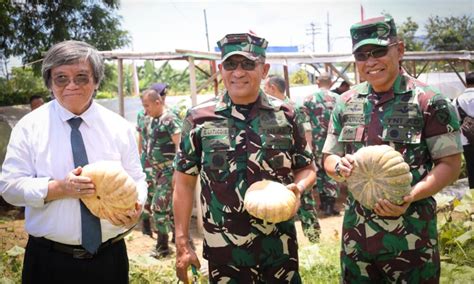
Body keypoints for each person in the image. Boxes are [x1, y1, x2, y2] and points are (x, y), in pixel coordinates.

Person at [322, 16, 462, 283]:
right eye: (362, 55)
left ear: (400, 49)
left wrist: (410, 195)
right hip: (357, 240)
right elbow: (329, 156)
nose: (370, 61)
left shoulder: (429, 101)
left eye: (378, 51)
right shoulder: (346, 102)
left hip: (411, 238)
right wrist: (339, 167)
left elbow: (450, 164)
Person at [173, 33, 316, 283]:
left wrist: (299, 187)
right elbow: (183, 183)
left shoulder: (288, 114)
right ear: (221, 69)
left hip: (278, 248)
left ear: (264, 70)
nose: (238, 72)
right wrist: (182, 241)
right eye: (231, 64)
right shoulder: (198, 119)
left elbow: (307, 168)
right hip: (225, 251)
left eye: (248, 64)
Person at [1, 40, 147, 283]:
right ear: (49, 82)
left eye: (81, 77)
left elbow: (137, 178)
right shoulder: (29, 127)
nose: (71, 85)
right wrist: (59, 188)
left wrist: (136, 205)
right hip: (48, 262)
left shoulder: (119, 127)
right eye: (61, 78)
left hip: (109, 259)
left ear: (96, 81)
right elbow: (8, 188)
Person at [141, 83, 182, 258]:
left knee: (159, 208)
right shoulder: (153, 120)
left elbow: (180, 147)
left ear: (158, 102)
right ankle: (172, 241)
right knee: (166, 208)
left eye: (147, 105)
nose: (145, 109)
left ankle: (163, 248)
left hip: (168, 171)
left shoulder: (170, 119)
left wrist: (177, 174)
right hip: (156, 172)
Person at [301, 72, 341, 218]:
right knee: (334, 171)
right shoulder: (339, 98)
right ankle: (331, 204)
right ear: (330, 83)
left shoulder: (309, 99)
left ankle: (323, 203)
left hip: (316, 141)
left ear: (318, 82)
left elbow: (304, 124)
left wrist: (308, 144)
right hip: (335, 142)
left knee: (319, 171)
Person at [453, 72, 474, 189]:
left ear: (466, 83)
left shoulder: (457, 101)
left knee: (471, 169)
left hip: (466, 140)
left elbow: (453, 120)